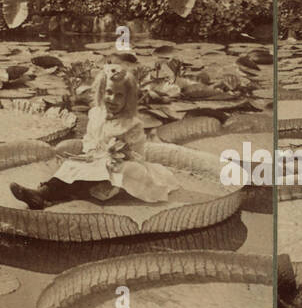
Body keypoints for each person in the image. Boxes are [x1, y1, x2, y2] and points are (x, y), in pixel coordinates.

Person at [9, 64, 180, 209]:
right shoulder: (96, 114)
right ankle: (43, 192)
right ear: (101, 92)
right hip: (96, 159)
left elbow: (138, 154)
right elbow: (90, 139)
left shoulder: (132, 124)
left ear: (128, 99)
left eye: (119, 95)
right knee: (73, 164)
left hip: (122, 166)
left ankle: (47, 195)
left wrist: (122, 154)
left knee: (101, 170)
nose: (112, 99)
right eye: (109, 92)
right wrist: (90, 152)